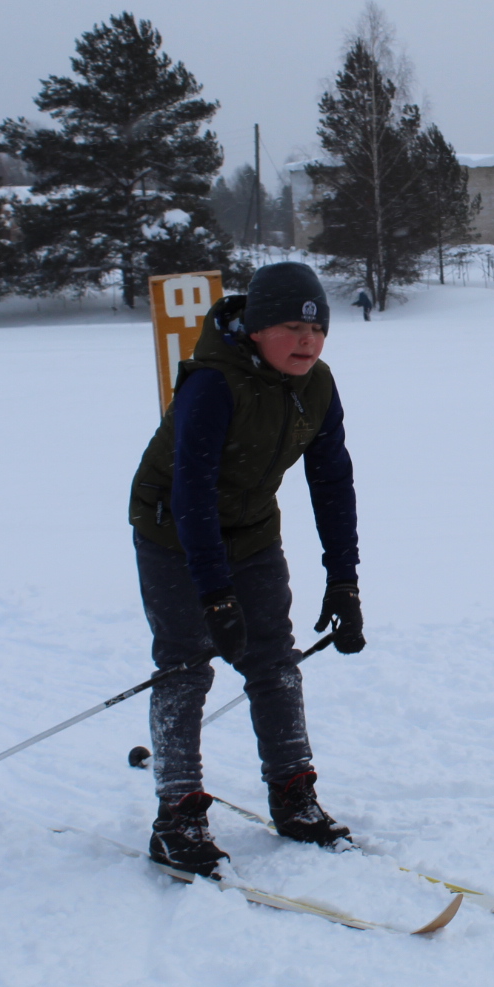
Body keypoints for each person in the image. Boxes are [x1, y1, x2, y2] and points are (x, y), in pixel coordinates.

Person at [127, 263, 364, 877]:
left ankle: (293, 792)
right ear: (257, 329)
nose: (308, 341)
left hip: (253, 531)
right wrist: (214, 595)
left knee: (273, 661)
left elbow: (331, 480)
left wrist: (344, 579)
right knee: (185, 663)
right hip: (174, 529)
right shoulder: (213, 383)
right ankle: (176, 813)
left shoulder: (318, 385)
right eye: (292, 327)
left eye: (318, 329)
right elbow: (193, 493)